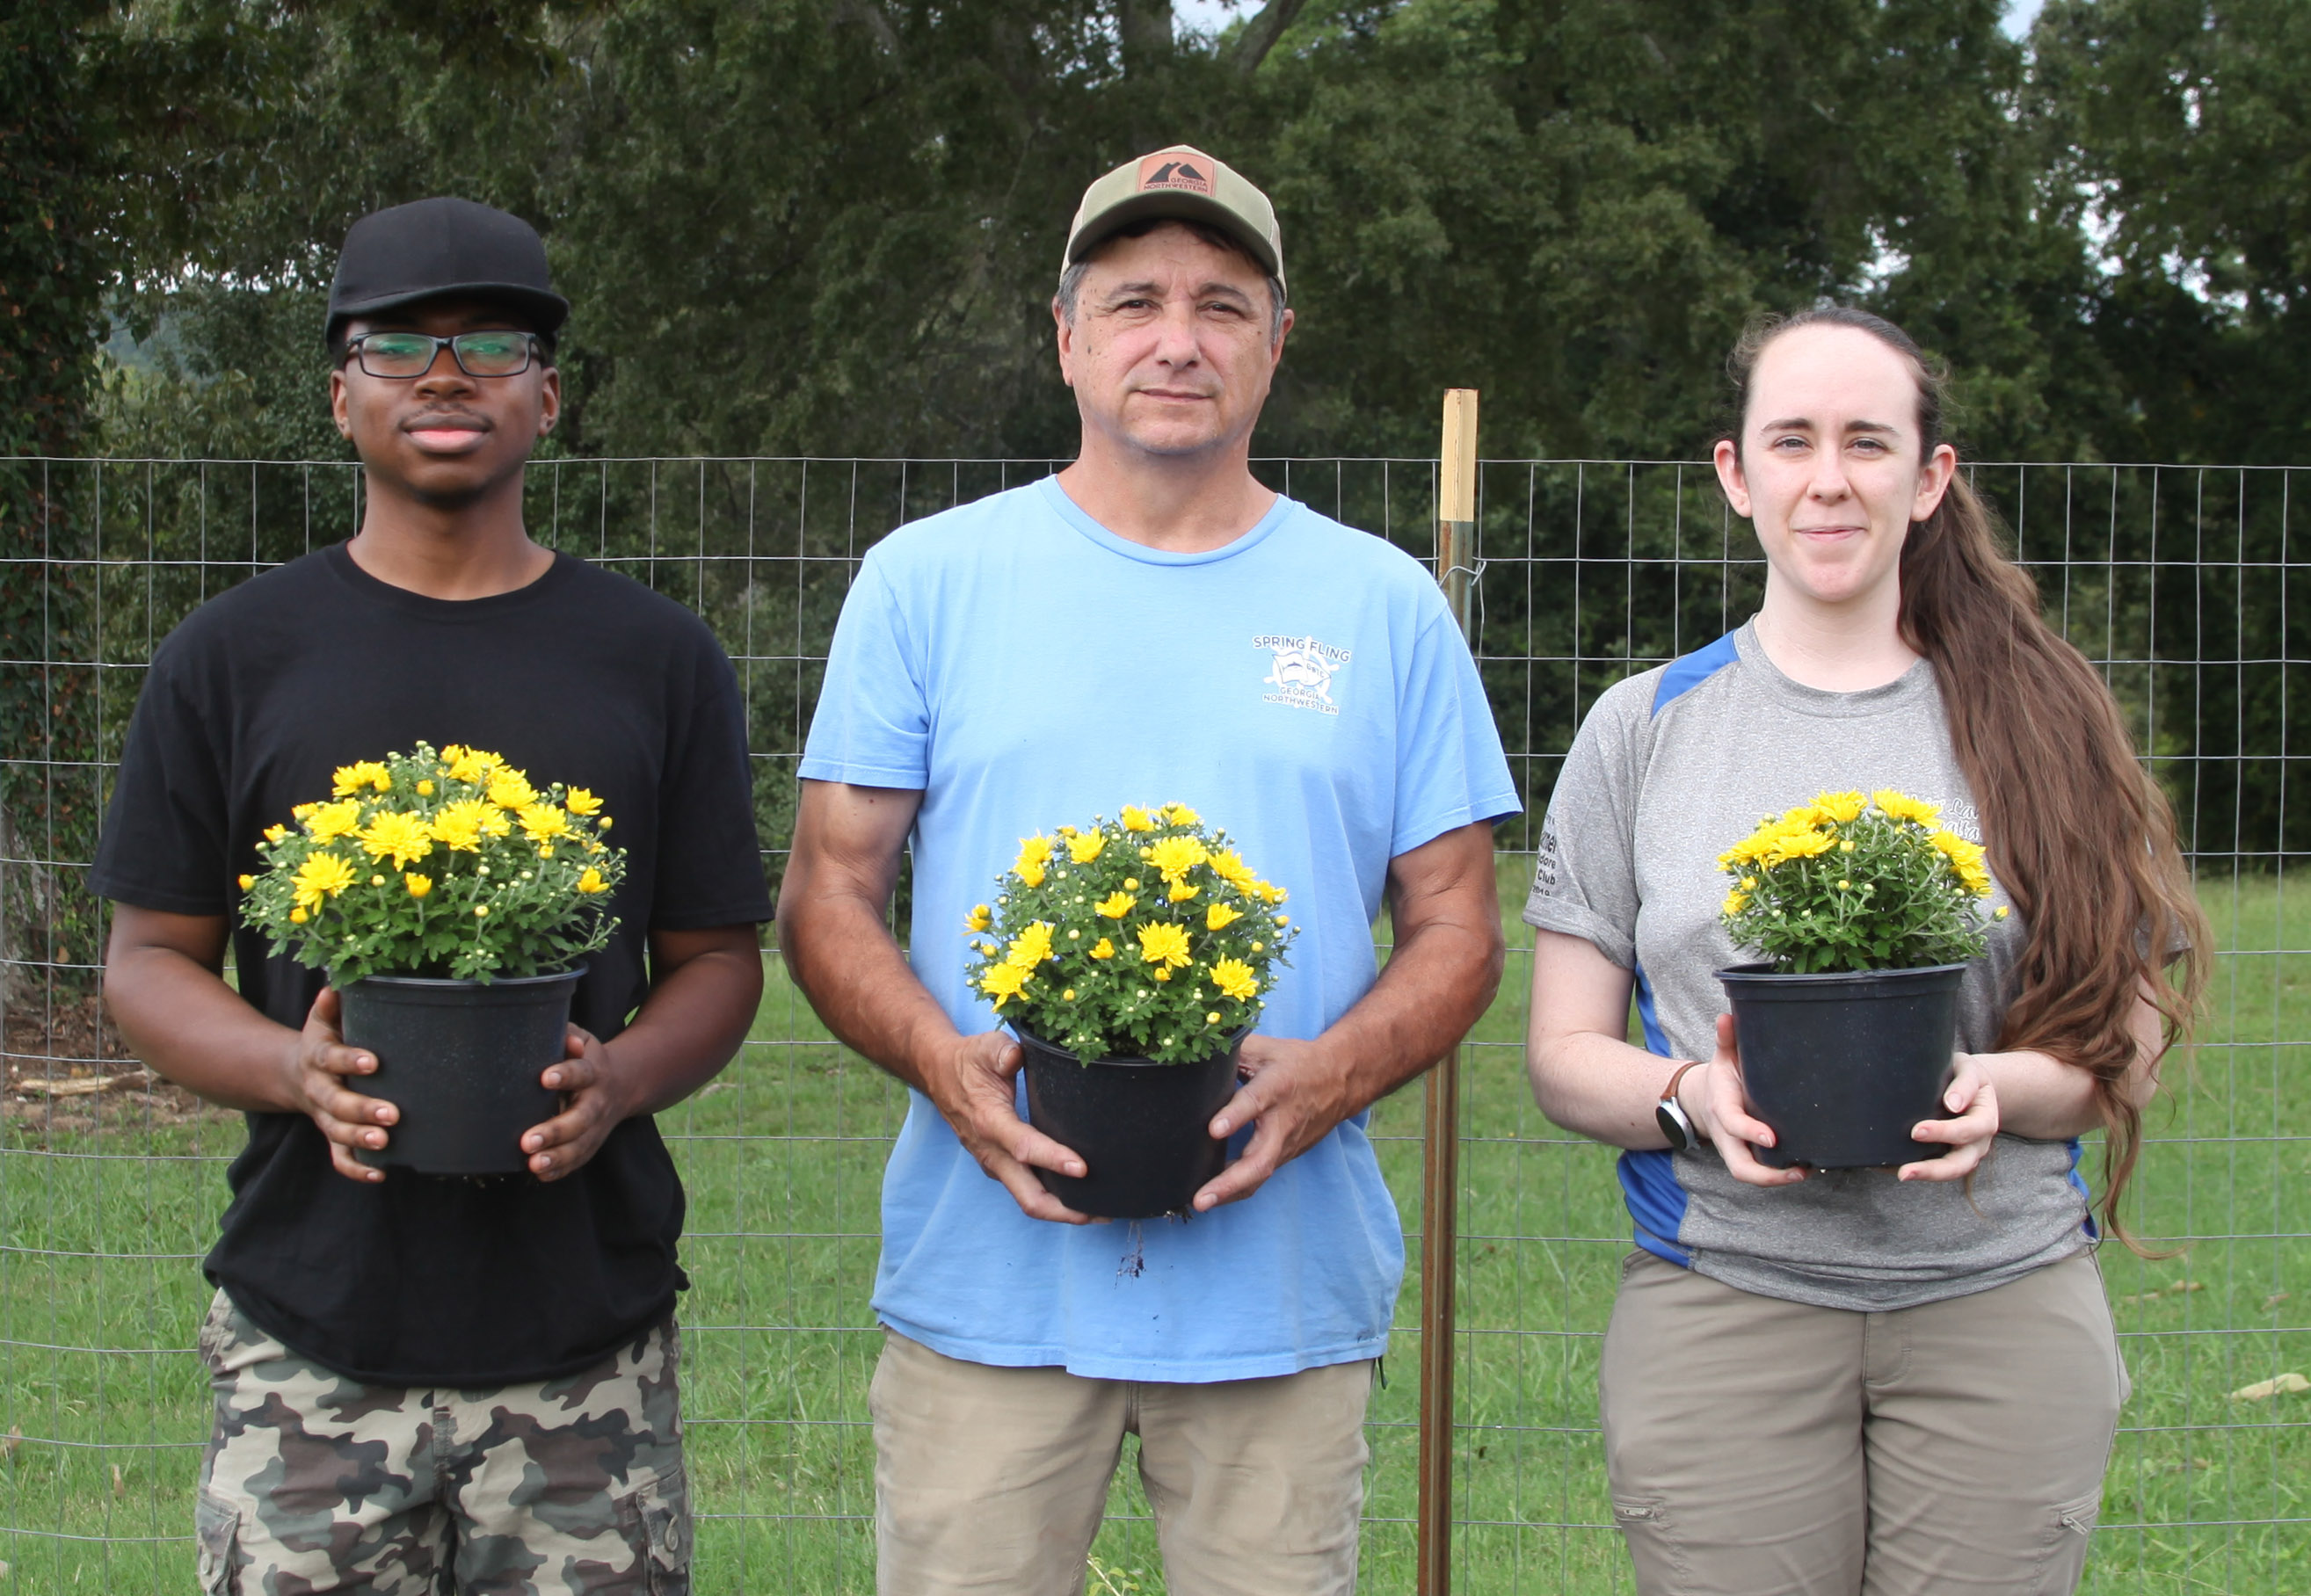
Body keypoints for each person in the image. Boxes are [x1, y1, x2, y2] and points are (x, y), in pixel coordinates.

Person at [776, 145, 1521, 1595]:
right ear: (1065, 336)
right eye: (1133, 302)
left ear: (1276, 343)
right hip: (986, 1284)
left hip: (1280, 1291)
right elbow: (828, 891)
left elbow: (1456, 924)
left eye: (1223, 304)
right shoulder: (927, 581)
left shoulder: (1382, 604)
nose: (1176, 340)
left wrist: (1335, 1072)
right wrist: (944, 1061)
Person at [94, 197, 769, 1595]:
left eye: (492, 342)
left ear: (550, 396)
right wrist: (294, 1069)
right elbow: (148, 959)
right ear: (341, 394)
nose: (446, 374)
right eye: (398, 344)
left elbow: (715, 959)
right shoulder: (232, 657)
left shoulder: (656, 659)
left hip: (587, 1347)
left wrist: (622, 1078)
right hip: (311, 1339)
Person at [1523, 306, 2206, 1596]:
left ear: (1928, 478)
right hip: (1724, 1299)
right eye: (1789, 441)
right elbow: (1561, 1053)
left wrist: (1994, 1090)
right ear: (1734, 474)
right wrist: (1688, 1100)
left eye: (1865, 442)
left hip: (1996, 1303)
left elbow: (2123, 1033)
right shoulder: (1642, 729)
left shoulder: (2043, 712)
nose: (1826, 478)